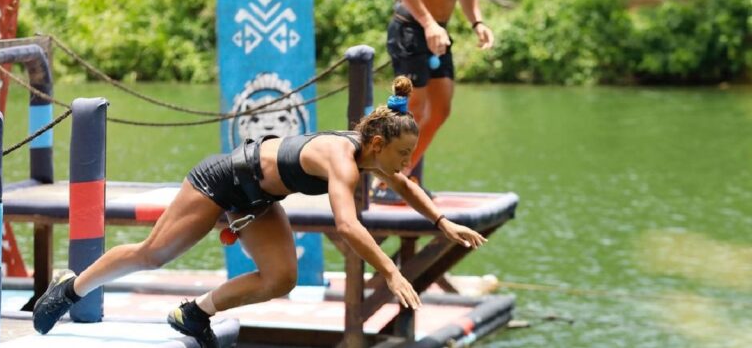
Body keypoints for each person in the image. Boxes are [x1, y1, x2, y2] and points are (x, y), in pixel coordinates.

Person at [31, 76, 487, 348]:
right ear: (378, 144)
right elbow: (347, 225)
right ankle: (70, 288)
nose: (407, 162)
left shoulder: (374, 158)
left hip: (258, 200)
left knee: (281, 278)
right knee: (153, 254)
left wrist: (442, 222)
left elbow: (404, 184)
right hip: (220, 181)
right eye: (403, 153)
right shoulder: (343, 162)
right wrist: (390, 271)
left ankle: (194, 313)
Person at [374, 0, 509, 204]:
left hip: (438, 34)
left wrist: (477, 22)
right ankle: (383, 180)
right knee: (414, 108)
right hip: (411, 30)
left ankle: (401, 176)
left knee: (441, 109)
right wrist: (429, 24)